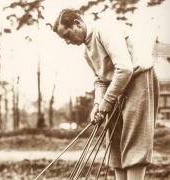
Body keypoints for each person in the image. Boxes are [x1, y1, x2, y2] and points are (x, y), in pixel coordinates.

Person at [53, 9, 159, 180]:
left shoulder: (104, 29)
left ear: (77, 23)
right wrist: (97, 105)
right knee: (114, 142)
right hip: (116, 86)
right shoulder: (85, 51)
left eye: (67, 35)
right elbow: (101, 80)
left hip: (138, 78)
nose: (67, 42)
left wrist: (106, 102)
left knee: (134, 141)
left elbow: (125, 68)